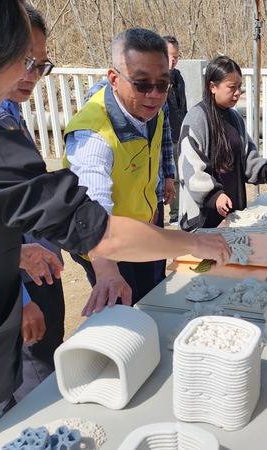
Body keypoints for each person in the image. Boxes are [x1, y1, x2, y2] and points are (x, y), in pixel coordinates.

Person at [0, 2, 230, 447]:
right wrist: (192, 243)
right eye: (26, 60)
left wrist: (12, 249)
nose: (31, 74)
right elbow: (101, 230)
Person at [0, 3, 67, 401]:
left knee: (49, 362)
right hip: (11, 286)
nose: (32, 75)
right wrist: (23, 301)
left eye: (41, 65)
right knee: (31, 388)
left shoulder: (9, 110)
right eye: (24, 61)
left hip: (39, 267)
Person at [64, 28, 177, 312]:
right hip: (104, 242)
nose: (154, 95)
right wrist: (107, 272)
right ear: (114, 78)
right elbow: (93, 209)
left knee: (153, 294)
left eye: (162, 84)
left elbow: (145, 170)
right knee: (126, 310)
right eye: (141, 84)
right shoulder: (92, 133)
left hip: (140, 228)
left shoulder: (154, 112)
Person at [178, 56, 267, 230]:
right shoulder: (196, 118)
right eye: (232, 87)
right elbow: (190, 168)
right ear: (212, 87)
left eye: (239, 87)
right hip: (203, 217)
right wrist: (214, 195)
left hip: (232, 212)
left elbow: (247, 156)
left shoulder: (235, 118)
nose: (237, 92)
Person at [164, 35, 189, 224]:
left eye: (176, 56)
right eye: (169, 56)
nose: (173, 60)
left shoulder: (178, 77)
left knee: (179, 177)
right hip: (161, 137)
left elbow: (183, 107)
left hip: (177, 133)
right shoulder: (156, 80)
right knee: (165, 177)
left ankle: (176, 213)